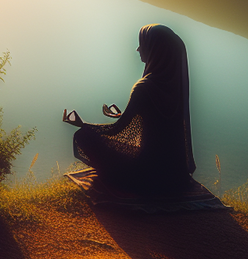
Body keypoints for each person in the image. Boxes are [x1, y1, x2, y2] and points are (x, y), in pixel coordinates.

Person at [63, 24, 196, 195]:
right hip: (173, 171)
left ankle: (125, 180)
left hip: (147, 170)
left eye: (143, 44)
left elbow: (116, 130)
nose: (138, 49)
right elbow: (159, 119)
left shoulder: (144, 87)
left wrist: (83, 125)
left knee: (84, 137)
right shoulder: (174, 85)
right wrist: (121, 114)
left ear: (155, 49)